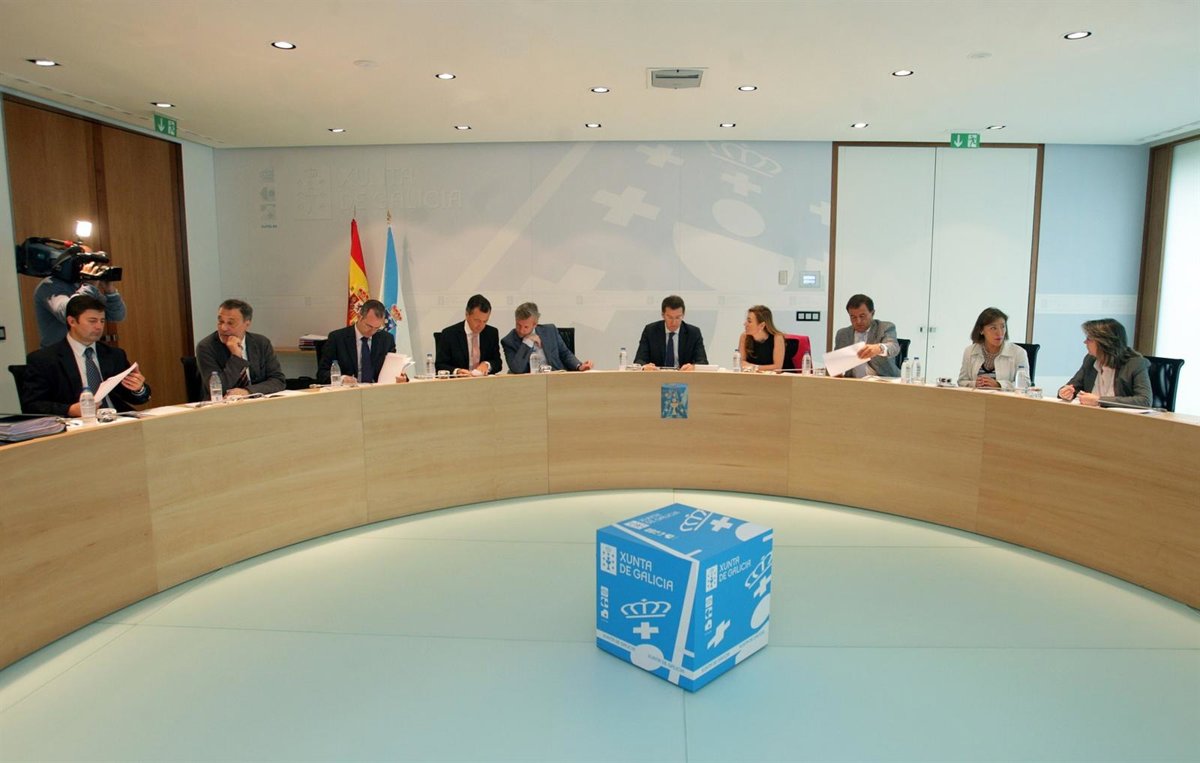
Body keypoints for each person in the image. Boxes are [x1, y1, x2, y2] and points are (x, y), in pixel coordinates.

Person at [21, 294, 150, 416]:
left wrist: (138, 389)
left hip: (116, 419)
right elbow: (32, 405)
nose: (99, 327)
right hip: (75, 424)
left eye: (102, 321)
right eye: (92, 321)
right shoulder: (44, 360)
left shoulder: (114, 355)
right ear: (72, 321)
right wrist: (70, 410)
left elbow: (135, 398)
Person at [195, 299, 286, 397]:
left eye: (230, 323)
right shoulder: (206, 347)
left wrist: (247, 391)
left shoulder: (261, 343)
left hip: (257, 401)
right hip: (222, 404)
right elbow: (218, 389)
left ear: (247, 324)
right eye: (221, 321)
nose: (223, 328)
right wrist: (236, 357)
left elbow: (278, 381)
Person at [1057, 318, 1152, 408]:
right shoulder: (1090, 360)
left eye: (1089, 339)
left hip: (1120, 418)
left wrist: (1100, 400)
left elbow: (1145, 401)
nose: (1085, 342)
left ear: (1104, 343)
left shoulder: (1135, 364)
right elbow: (1073, 386)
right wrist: (1065, 392)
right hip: (1091, 415)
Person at [34, 261, 127, 347]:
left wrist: (110, 291)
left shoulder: (83, 286)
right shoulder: (50, 285)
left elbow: (117, 316)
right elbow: (69, 313)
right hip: (59, 354)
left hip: (85, 352)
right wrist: (89, 286)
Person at [317, 299, 408, 385]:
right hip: (348, 391)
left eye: (377, 328)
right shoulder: (337, 338)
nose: (372, 332)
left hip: (377, 391)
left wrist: (402, 378)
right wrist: (342, 379)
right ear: (359, 317)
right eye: (369, 326)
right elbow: (322, 373)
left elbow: (394, 370)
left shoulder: (386, 339)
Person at [501, 302, 593, 373]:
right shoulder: (508, 341)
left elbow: (565, 353)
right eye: (518, 325)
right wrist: (527, 342)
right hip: (529, 383)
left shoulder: (550, 331)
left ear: (535, 324)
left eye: (526, 327)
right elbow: (517, 369)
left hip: (555, 378)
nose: (521, 330)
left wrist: (579, 366)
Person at [957, 307, 1030, 389]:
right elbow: (961, 381)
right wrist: (975, 384)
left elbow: (1025, 384)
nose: (999, 333)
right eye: (993, 328)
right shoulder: (970, 351)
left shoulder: (1019, 353)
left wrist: (999, 385)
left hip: (1003, 397)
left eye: (1003, 327)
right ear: (981, 330)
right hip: (976, 396)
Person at [634, 295, 708, 371]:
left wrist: (693, 367)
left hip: (684, 376)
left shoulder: (693, 333)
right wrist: (644, 367)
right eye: (670, 317)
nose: (674, 322)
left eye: (678, 317)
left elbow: (703, 362)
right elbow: (639, 360)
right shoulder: (650, 331)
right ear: (663, 315)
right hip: (657, 375)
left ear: (683, 315)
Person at [833, 294, 899, 377]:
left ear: (872, 313)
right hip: (853, 381)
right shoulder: (842, 334)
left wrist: (879, 348)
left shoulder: (884, 327)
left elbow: (893, 347)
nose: (858, 321)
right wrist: (836, 371)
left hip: (883, 381)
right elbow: (836, 364)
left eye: (862, 316)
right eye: (853, 317)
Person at [435, 294, 502, 376]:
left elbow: (498, 363)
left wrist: (487, 364)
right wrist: (457, 371)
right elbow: (440, 365)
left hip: (483, 381)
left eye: (485, 321)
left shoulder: (491, 333)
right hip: (459, 381)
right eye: (477, 320)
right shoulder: (449, 334)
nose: (481, 325)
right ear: (467, 314)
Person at [739, 305, 786, 372]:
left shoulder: (777, 338)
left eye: (749, 321)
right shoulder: (744, 337)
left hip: (773, 377)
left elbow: (777, 367)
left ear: (762, 325)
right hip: (752, 376)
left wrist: (753, 367)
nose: (745, 324)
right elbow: (741, 363)